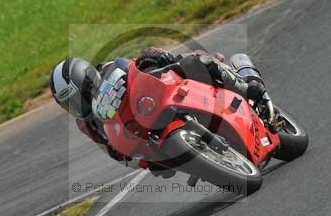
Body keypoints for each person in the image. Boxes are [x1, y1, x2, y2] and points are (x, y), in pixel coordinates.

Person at [50, 48, 269, 176]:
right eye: (66, 104)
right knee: (159, 163)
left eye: (72, 98)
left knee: (195, 61)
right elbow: (112, 151)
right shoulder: (85, 123)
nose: (73, 106)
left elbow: (138, 63)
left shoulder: (110, 68)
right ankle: (208, 161)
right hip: (147, 133)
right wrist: (141, 163)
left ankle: (245, 85)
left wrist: (158, 57)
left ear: (85, 80)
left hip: (161, 93)